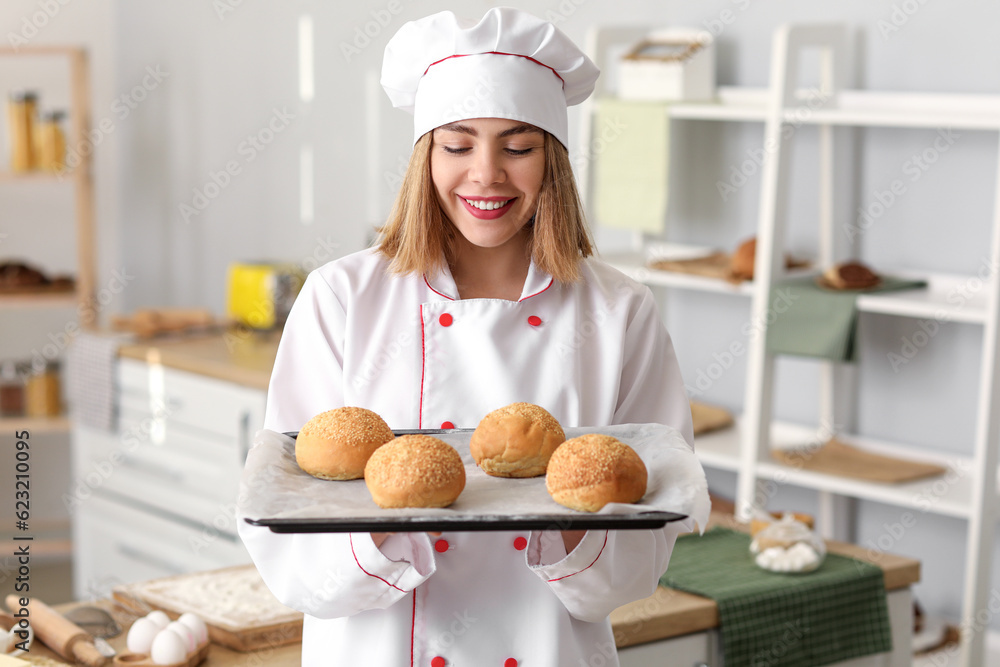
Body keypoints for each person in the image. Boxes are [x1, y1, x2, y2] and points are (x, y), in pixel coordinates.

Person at [238, 8, 700, 666]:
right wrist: (388, 524)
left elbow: (643, 557)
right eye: (457, 145)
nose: (486, 173)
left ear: (553, 161)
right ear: (426, 158)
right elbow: (291, 550)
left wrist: (564, 516)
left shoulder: (620, 310)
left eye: (518, 146)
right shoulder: (343, 299)